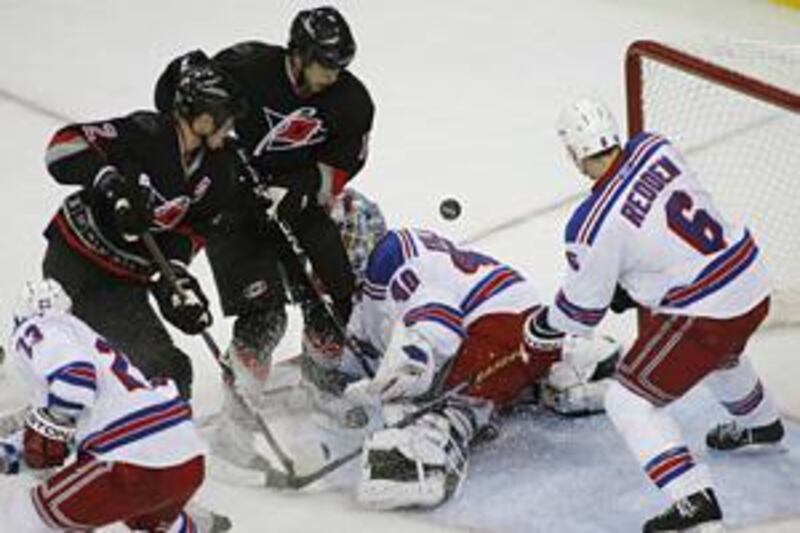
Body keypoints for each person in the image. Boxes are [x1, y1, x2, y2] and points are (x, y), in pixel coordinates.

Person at [521, 98, 784, 531]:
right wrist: (631, 285)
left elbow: (580, 314)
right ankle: (760, 423)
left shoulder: (590, 225)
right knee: (720, 353)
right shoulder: (654, 147)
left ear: (573, 154)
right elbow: (658, 231)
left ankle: (694, 505)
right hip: (750, 282)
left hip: (707, 311)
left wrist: (541, 327)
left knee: (628, 401)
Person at [297, 190, 620, 510]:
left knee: (424, 400)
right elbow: (364, 351)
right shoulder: (365, 286)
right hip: (515, 329)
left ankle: (436, 436)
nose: (316, 266)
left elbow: (437, 319)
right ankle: (560, 367)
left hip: (500, 327)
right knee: (437, 379)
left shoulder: (389, 259)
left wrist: (414, 359)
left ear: (356, 238)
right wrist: (322, 372)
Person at [152, 6, 374, 403]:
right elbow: (175, 98)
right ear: (299, 54)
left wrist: (299, 189)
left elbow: (343, 165)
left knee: (337, 298)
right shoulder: (248, 67)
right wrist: (180, 77)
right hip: (230, 210)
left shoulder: (351, 101)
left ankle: (322, 390)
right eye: (325, 64)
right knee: (265, 315)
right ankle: (240, 413)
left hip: (296, 204)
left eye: (341, 65)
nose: (334, 74)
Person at [43, 59, 247, 398]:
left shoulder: (218, 171)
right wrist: (110, 185)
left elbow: (190, 233)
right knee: (134, 372)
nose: (230, 132)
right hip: (77, 261)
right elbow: (63, 146)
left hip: (124, 285)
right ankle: (67, 412)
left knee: (170, 372)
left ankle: (142, 435)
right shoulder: (143, 131)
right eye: (227, 122)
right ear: (205, 117)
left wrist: (177, 283)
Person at [0, 279, 230, 532]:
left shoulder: (40, 327)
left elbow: (75, 380)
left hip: (130, 460)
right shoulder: (92, 345)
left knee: (27, 516)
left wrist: (53, 423)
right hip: (185, 458)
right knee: (146, 517)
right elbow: (76, 417)